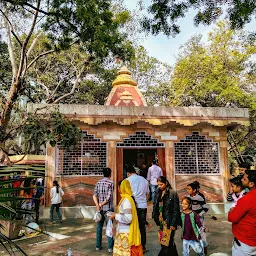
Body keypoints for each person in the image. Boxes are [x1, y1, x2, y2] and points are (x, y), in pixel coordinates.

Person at [108, 179, 143, 256]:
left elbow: (128, 219)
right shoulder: (126, 199)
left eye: (118, 187)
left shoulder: (126, 201)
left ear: (121, 188)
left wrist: (115, 216)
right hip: (123, 231)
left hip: (125, 233)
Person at [228, 170, 256, 255]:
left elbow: (232, 218)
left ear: (251, 184)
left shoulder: (247, 199)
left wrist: (231, 210)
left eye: (244, 179)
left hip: (245, 241)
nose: (241, 180)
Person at [152, 176, 181, 256]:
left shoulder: (172, 193)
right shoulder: (158, 192)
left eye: (161, 184)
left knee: (167, 242)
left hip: (169, 220)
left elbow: (176, 210)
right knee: (166, 241)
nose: (159, 186)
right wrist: (155, 216)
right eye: (158, 185)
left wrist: (173, 223)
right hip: (161, 220)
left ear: (166, 183)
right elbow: (155, 205)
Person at [126, 165, 150, 253]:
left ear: (128, 173)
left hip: (132, 206)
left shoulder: (127, 181)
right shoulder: (144, 180)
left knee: (131, 226)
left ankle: (133, 246)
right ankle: (143, 247)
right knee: (142, 227)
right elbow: (148, 194)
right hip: (142, 206)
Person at [92, 167, 114, 253]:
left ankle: (98, 246)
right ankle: (110, 248)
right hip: (108, 209)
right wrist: (101, 204)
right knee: (109, 228)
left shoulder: (98, 182)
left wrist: (98, 205)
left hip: (99, 210)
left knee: (98, 228)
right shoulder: (111, 183)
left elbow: (94, 195)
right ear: (110, 174)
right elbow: (109, 197)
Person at [186, 182, 209, 255]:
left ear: (194, 190)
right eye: (187, 189)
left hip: (199, 220)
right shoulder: (187, 197)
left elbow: (206, 208)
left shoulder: (200, 197)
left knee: (202, 235)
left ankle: (205, 252)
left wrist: (199, 215)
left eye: (189, 189)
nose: (187, 190)